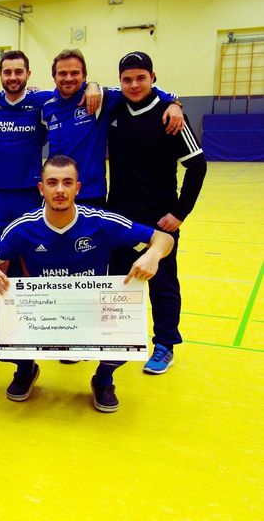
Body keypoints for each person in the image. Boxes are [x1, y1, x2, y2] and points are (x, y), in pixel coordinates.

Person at [0, 155, 174, 412]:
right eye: (52, 183)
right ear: (42, 189)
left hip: (89, 313)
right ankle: (26, 369)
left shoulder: (100, 222)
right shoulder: (24, 227)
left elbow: (163, 238)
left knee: (130, 335)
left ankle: (103, 380)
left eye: (67, 182)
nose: (60, 190)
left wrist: (152, 255)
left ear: (77, 188)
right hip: (43, 314)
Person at [107, 52, 207, 375]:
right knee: (118, 281)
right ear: (119, 81)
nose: (134, 84)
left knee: (162, 284)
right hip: (120, 218)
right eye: (127, 79)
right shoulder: (114, 108)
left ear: (153, 77)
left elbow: (197, 165)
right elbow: (89, 89)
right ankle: (116, 338)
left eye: (141, 78)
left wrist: (179, 214)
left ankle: (164, 344)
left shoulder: (170, 115)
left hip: (158, 221)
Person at [41, 49, 183, 207]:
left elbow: (143, 89)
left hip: (91, 194)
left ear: (84, 76)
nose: (68, 78)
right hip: (54, 192)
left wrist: (172, 102)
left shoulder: (99, 99)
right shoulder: (46, 105)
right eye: (62, 73)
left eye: (75, 73)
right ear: (54, 77)